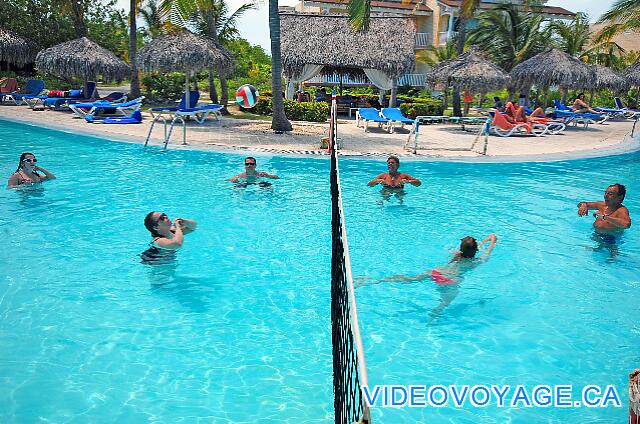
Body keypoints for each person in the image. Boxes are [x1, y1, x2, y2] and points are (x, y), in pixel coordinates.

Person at [357, 234, 498, 321]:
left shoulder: (455, 253)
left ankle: (374, 280)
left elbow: (474, 244)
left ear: (461, 247)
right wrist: (485, 243)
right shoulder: (477, 261)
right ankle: (432, 318)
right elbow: (493, 238)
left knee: (410, 279)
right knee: (444, 303)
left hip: (437, 272)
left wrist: (479, 243)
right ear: (476, 251)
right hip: (450, 280)